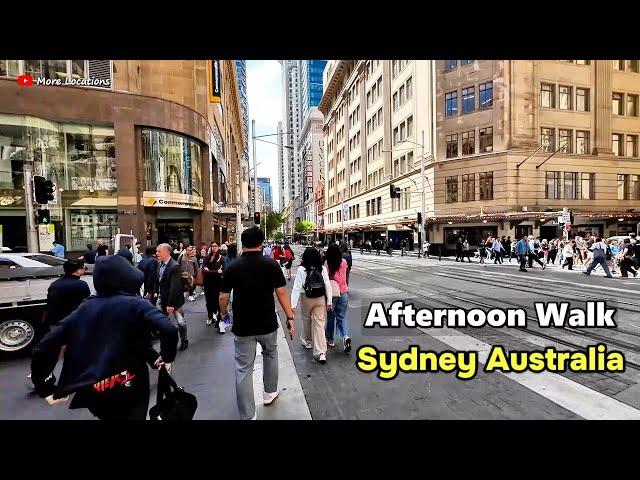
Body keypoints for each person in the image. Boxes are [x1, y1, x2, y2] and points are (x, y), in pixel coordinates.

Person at [30, 254, 178, 420]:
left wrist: (45, 387)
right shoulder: (136, 303)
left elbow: (45, 344)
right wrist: (166, 357)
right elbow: (168, 330)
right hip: (130, 379)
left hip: (96, 386)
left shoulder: (86, 306)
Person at [219, 227, 296, 420]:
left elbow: (223, 297)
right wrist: (290, 317)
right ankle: (269, 393)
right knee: (271, 354)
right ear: (262, 243)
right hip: (267, 323)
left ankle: (248, 415)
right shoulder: (271, 265)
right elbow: (281, 293)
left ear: (242, 245)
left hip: (243, 326)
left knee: (243, 368)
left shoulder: (232, 267)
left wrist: (224, 314)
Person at [290, 247, 333, 363]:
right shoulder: (322, 268)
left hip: (307, 298)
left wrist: (292, 306)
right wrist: (329, 302)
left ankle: (307, 340)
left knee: (306, 320)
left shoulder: (301, 269)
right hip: (320, 298)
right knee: (319, 323)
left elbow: (296, 288)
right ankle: (321, 352)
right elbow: (328, 285)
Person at [156, 243, 188, 351]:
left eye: (159, 251)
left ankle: (184, 339)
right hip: (162, 298)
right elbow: (159, 281)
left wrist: (170, 304)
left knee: (180, 322)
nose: (157, 253)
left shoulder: (174, 266)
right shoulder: (160, 264)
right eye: (156, 251)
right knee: (162, 323)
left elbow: (175, 287)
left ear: (167, 252)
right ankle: (166, 345)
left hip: (174, 300)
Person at [44, 259, 91, 329]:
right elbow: (86, 304)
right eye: (84, 268)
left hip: (56, 322)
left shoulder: (55, 284)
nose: (85, 270)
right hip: (74, 322)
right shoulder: (81, 284)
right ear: (78, 270)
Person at [324, 244, 352, 353]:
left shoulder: (327, 263)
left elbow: (326, 279)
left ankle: (330, 339)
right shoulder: (344, 262)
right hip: (344, 292)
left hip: (332, 293)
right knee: (342, 317)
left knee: (331, 317)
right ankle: (345, 337)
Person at [202, 242, 223, 328]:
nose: (214, 248)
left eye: (216, 246)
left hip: (219, 283)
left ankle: (221, 321)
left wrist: (210, 272)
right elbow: (204, 271)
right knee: (209, 301)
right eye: (212, 246)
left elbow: (224, 271)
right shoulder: (207, 257)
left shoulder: (222, 258)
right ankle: (210, 316)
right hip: (208, 283)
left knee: (220, 302)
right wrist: (216, 272)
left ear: (218, 247)